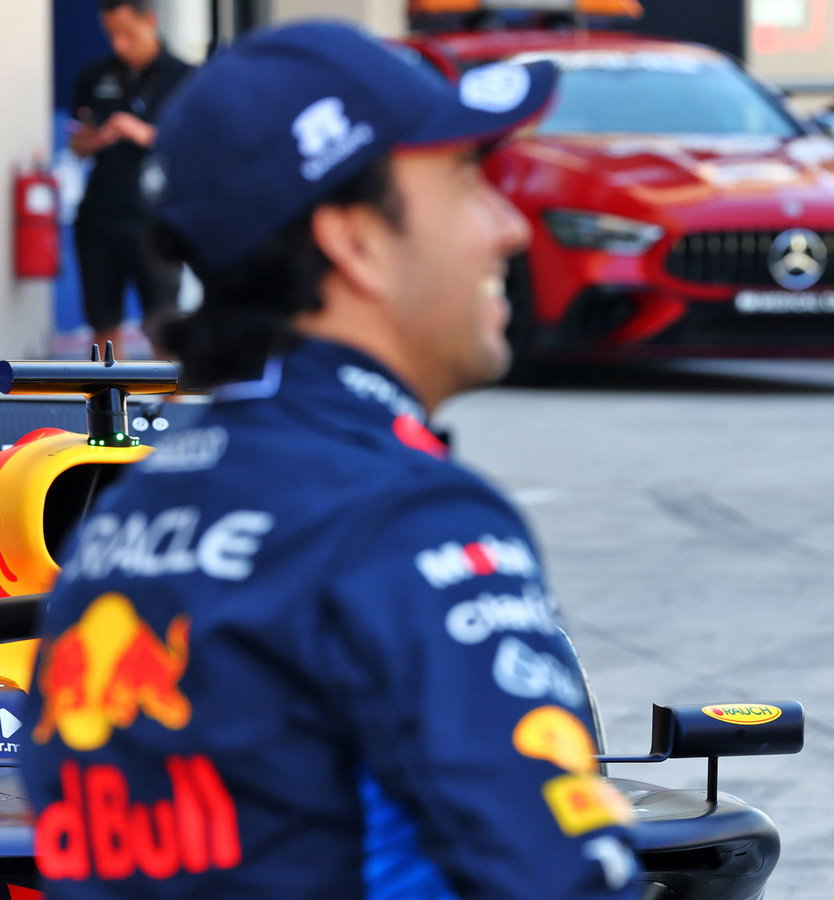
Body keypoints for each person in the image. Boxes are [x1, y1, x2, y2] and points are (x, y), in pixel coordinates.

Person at [24, 21, 639, 899]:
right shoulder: (405, 520)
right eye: (467, 182)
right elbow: (562, 879)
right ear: (355, 240)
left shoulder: (121, 522)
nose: (507, 227)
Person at [68, 0, 193, 353]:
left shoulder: (186, 76)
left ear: (149, 21)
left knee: (164, 323)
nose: (119, 44)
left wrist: (143, 133)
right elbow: (76, 145)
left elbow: (198, 146)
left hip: (158, 217)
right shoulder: (94, 74)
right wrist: (91, 141)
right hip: (100, 215)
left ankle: (173, 407)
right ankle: (106, 406)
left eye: (127, 33)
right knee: (103, 323)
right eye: (112, 35)